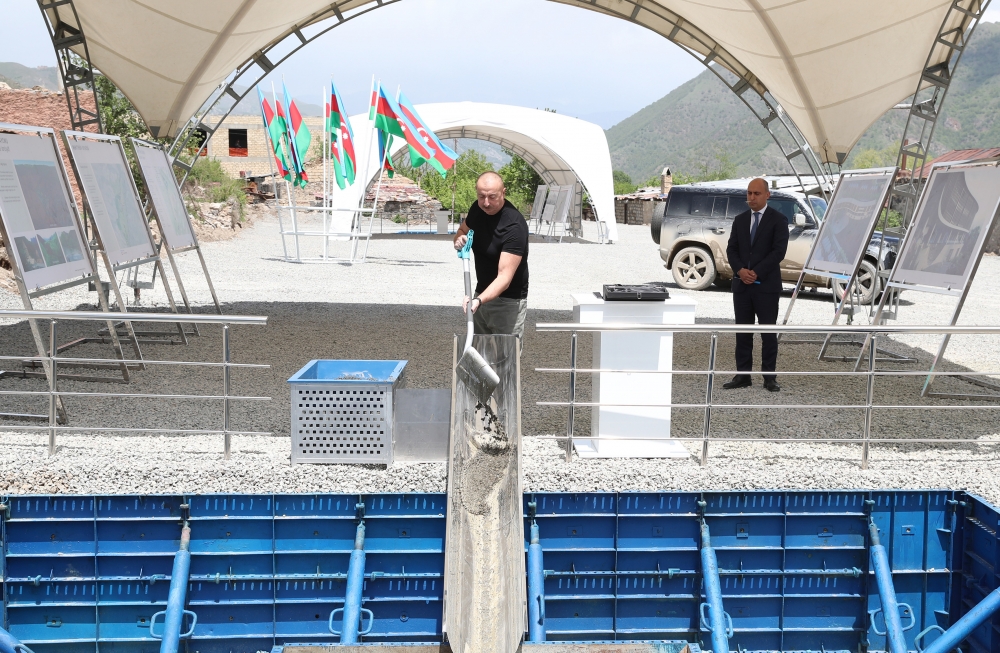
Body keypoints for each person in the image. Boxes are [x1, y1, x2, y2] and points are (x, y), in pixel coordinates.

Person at [723, 178, 789, 392]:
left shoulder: (778, 220)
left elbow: (778, 252)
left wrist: (756, 271)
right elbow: (731, 249)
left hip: (766, 286)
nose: (752, 197)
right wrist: (740, 270)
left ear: (767, 195)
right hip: (742, 286)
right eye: (749, 193)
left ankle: (769, 377)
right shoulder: (740, 220)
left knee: (768, 333)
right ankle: (743, 376)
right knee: (743, 332)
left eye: (756, 193)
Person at [452, 171, 529, 338]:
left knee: (505, 354)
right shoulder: (477, 209)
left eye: (492, 197)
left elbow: (504, 278)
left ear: (503, 193)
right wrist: (459, 240)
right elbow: (461, 231)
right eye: (481, 196)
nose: (486, 203)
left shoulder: (514, 226)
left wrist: (479, 301)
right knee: (478, 350)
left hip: (508, 302)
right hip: (481, 293)